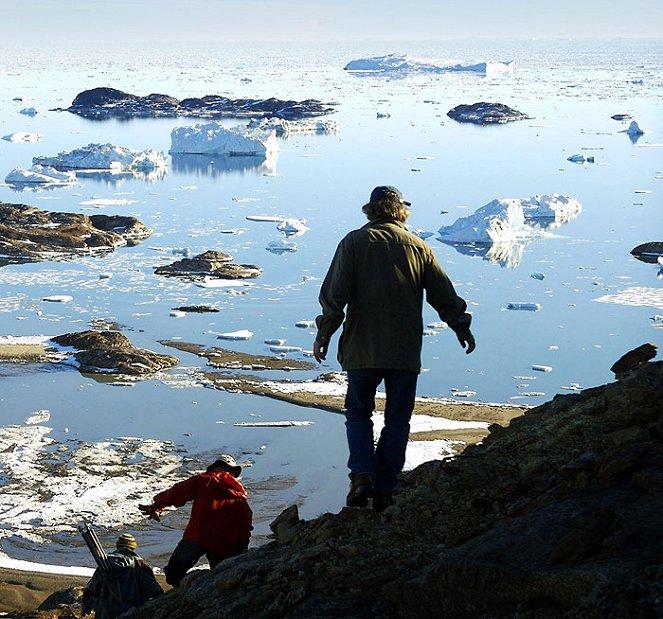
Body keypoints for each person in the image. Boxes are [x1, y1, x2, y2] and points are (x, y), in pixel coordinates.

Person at [314, 185, 476, 511]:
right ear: (402, 211)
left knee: (359, 413)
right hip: (404, 351)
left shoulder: (354, 243)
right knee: (398, 421)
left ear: (370, 210)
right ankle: (385, 490)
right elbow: (443, 295)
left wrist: (325, 334)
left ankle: (362, 477)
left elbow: (335, 297)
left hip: (362, 348)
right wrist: (461, 326)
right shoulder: (419, 247)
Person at [139, 454, 253, 587]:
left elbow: (177, 492)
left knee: (174, 573)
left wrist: (158, 505)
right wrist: (241, 549)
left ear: (214, 467)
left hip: (197, 536)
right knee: (223, 578)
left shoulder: (205, 480)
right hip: (225, 543)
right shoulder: (240, 497)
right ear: (233, 472)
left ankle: (181, 600)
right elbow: (245, 525)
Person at [81, 533, 163, 619]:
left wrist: (86, 607)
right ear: (133, 548)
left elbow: (91, 589)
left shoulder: (105, 562)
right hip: (133, 613)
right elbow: (155, 591)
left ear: (117, 546)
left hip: (106, 613)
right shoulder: (140, 565)